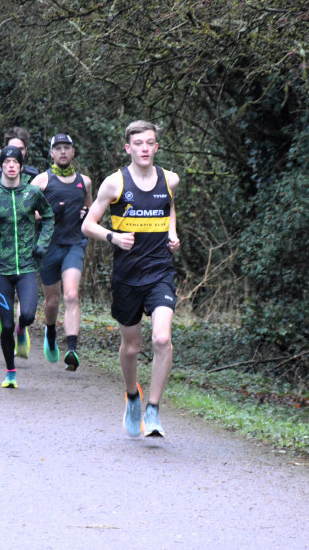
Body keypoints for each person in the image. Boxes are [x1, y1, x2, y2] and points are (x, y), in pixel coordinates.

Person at [82, 120, 180, 438]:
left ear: (156, 147)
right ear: (128, 148)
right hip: (127, 276)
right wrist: (113, 237)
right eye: (139, 144)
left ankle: (153, 410)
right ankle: (133, 396)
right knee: (132, 347)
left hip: (160, 271)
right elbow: (88, 224)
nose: (145, 149)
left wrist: (173, 232)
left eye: (150, 143)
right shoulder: (114, 183)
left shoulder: (170, 179)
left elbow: (169, 206)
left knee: (162, 338)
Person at [0, 145, 54, 388]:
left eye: (15, 162)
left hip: (27, 265)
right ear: (1, 165)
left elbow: (48, 217)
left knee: (27, 315)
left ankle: (22, 330)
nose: (10, 165)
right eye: (6, 161)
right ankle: (10, 372)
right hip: (0, 269)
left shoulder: (32, 193)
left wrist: (42, 244)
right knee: (4, 325)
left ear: (20, 165)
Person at [31, 134, 93, 370]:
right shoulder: (41, 181)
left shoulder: (84, 181)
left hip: (74, 244)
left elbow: (90, 207)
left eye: (67, 148)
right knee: (52, 300)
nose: (63, 152)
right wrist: (49, 213)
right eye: (58, 148)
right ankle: (49, 331)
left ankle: (72, 350)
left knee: (71, 295)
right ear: (52, 153)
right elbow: (25, 213)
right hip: (48, 247)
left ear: (73, 152)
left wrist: (85, 214)